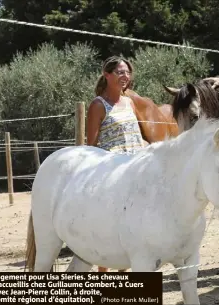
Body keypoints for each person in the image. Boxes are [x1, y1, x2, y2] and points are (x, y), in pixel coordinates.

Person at [86, 56, 145, 272]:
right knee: (109, 232)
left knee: (132, 231)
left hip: (135, 172)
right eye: (120, 72)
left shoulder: (130, 102)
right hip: (112, 174)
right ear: (107, 75)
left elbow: (137, 136)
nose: (125, 76)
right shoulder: (97, 105)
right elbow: (90, 145)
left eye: (127, 72)